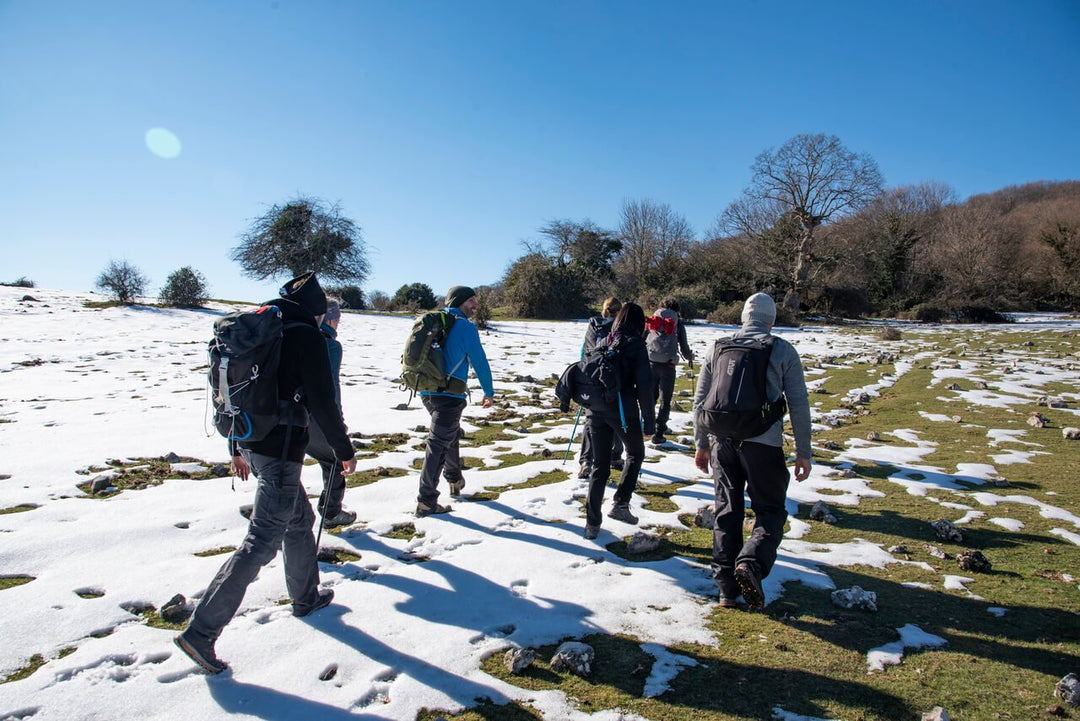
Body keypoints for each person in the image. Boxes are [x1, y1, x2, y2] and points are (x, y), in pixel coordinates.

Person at [175, 272, 357, 674]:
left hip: (253, 443)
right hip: (281, 449)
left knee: (300, 520)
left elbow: (234, 394)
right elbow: (322, 401)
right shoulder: (304, 336)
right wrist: (343, 450)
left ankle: (306, 597)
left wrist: (236, 446)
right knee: (261, 541)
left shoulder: (264, 328)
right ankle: (200, 633)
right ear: (315, 310)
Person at [692, 292, 811, 610]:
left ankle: (726, 591)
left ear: (744, 317)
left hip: (723, 444)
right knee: (770, 510)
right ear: (771, 320)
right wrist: (804, 451)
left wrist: (702, 443)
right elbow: (798, 403)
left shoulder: (717, 347)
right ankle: (751, 564)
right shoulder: (782, 350)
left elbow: (700, 401)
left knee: (726, 512)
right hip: (764, 445)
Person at [416, 286, 494, 517]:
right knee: (437, 444)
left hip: (427, 392)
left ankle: (454, 479)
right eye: (471, 300)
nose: (475, 305)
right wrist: (488, 391)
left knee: (449, 433)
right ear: (459, 301)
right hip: (449, 396)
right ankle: (426, 501)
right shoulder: (465, 327)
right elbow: (479, 360)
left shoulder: (434, 322)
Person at [582, 301, 655, 540]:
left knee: (599, 466)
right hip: (623, 411)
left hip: (595, 410)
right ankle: (621, 503)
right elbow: (645, 386)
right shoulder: (636, 345)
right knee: (635, 453)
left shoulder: (603, 341)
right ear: (639, 322)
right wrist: (650, 423)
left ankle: (592, 524)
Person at [309, 299, 357, 528]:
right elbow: (330, 388)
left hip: (282, 414)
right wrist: (338, 422)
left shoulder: (293, 337)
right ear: (330, 318)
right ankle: (331, 513)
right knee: (335, 459)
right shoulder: (328, 344)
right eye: (338, 318)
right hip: (314, 414)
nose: (338, 322)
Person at [577, 297, 624, 479]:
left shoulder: (593, 325)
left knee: (591, 419)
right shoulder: (622, 327)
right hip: (615, 378)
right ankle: (615, 455)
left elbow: (584, 351)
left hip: (592, 377)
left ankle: (586, 461)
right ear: (619, 311)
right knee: (619, 416)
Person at [645, 298, 694, 446]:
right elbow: (684, 346)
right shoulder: (678, 323)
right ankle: (659, 434)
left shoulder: (653, 320)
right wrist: (689, 357)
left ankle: (648, 427)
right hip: (668, 366)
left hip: (651, 363)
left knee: (650, 398)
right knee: (665, 401)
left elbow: (642, 339)